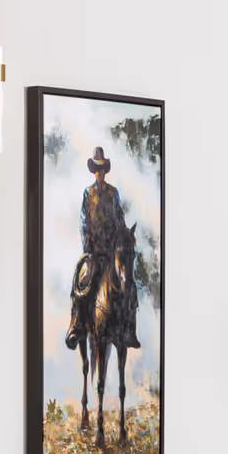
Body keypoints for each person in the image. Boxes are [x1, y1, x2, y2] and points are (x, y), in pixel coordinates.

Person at [65, 147, 139, 353]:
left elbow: (120, 218)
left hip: (112, 249)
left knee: (130, 284)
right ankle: (75, 325)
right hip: (94, 250)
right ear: (93, 171)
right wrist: (89, 246)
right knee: (81, 282)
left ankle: (130, 330)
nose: (100, 173)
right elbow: (83, 222)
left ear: (105, 171)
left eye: (102, 169)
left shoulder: (113, 193)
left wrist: (123, 236)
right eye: (97, 169)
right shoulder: (87, 194)